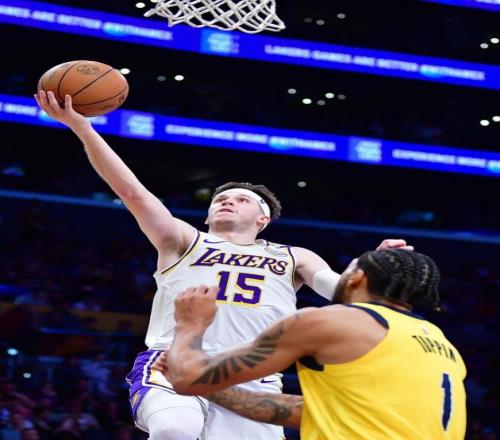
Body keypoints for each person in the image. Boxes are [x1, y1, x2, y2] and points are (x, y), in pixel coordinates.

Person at [34, 90, 413, 440]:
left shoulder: (294, 255)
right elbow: (132, 192)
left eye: (241, 200)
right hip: (173, 361)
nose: (227, 201)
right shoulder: (183, 240)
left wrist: (370, 266)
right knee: (174, 429)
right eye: (220, 199)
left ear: (263, 219)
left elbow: (340, 291)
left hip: (253, 377)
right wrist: (84, 129)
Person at [157, 249, 467, 440]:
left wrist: (190, 325)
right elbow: (319, 412)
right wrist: (210, 390)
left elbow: (188, 377)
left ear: (356, 277)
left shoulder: (330, 321)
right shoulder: (438, 340)